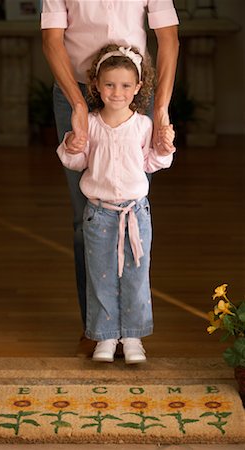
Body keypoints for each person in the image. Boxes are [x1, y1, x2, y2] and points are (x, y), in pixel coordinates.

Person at [41, 1, 179, 355]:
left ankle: (130, 329)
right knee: (85, 216)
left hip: (130, 87)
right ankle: (96, 328)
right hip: (77, 89)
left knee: (131, 207)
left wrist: (160, 110)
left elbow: (168, 38)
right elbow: (51, 39)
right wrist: (79, 105)